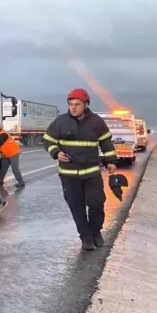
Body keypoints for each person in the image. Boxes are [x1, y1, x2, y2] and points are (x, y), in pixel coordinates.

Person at [42, 88, 117, 251]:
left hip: (91, 173)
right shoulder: (60, 122)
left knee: (96, 204)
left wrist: (111, 160)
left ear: (86, 104)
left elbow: (106, 142)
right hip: (69, 174)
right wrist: (56, 152)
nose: (73, 107)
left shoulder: (96, 122)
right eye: (70, 104)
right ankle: (86, 238)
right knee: (77, 207)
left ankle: (96, 232)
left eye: (77, 104)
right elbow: (47, 140)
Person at [0, 123, 26, 188]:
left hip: (13, 153)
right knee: (3, 167)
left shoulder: (3, 134)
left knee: (15, 168)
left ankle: (21, 182)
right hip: (6, 154)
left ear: (0, 128)